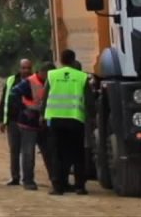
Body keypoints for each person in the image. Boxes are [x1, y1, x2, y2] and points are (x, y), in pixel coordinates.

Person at [43, 49, 89, 196]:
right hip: (76, 120)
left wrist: (43, 116)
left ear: (61, 60)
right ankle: (79, 187)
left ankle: (58, 187)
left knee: (57, 154)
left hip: (56, 120)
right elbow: (89, 101)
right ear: (74, 60)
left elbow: (45, 98)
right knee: (77, 154)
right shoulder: (82, 77)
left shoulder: (52, 75)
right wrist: (90, 118)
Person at [9, 61, 54, 190]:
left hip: (44, 122)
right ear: (43, 72)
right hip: (28, 123)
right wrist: (23, 109)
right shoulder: (30, 82)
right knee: (28, 153)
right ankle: (28, 180)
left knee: (49, 152)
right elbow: (13, 94)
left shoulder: (50, 82)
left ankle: (55, 179)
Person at [0, 59, 33, 186]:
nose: (26, 71)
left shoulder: (35, 81)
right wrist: (1, 119)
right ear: (19, 68)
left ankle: (27, 179)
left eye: (28, 68)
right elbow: (4, 100)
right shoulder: (11, 80)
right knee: (14, 150)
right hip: (12, 121)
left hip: (29, 122)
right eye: (24, 68)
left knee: (28, 151)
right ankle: (15, 177)